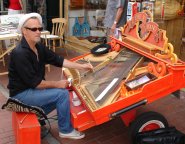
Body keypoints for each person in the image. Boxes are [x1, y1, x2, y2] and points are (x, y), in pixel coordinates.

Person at [7, 13, 93, 139]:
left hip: (31, 89)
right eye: (34, 29)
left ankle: (37, 115)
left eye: (40, 29)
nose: (38, 32)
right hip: (21, 94)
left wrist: (82, 66)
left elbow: (58, 60)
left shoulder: (38, 47)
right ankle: (65, 130)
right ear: (24, 31)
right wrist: (57, 84)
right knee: (61, 94)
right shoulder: (20, 53)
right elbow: (36, 83)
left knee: (61, 95)